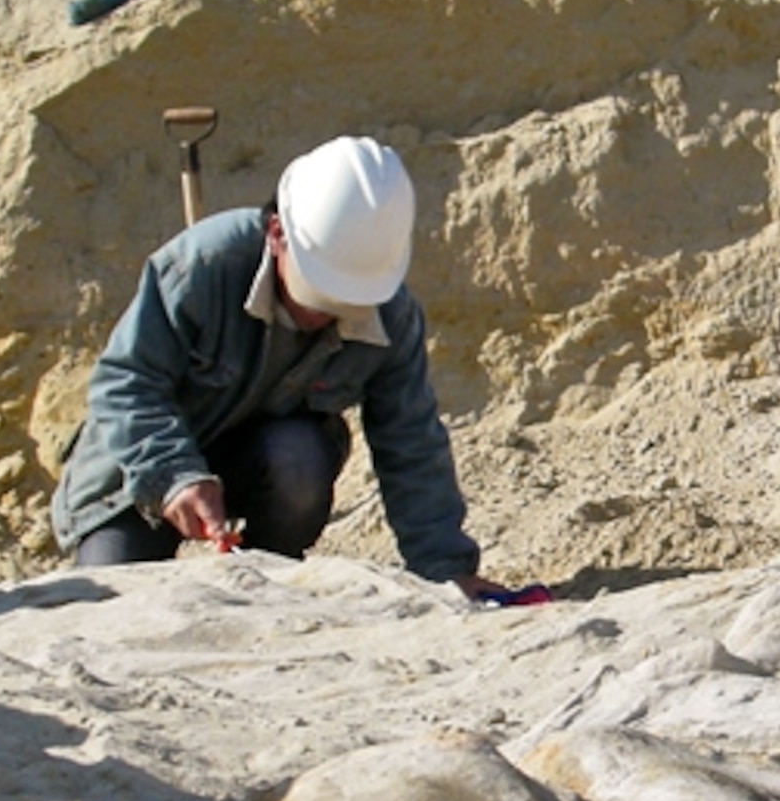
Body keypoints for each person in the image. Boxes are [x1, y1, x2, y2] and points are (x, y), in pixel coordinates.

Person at [52, 135, 531, 601]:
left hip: (260, 464)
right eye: (320, 292)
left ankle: (267, 578)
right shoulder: (202, 265)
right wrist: (173, 475)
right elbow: (125, 384)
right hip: (135, 478)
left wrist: (445, 570)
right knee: (114, 605)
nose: (328, 316)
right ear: (277, 234)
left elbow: (410, 439)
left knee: (298, 457)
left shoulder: (389, 313)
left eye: (346, 302)